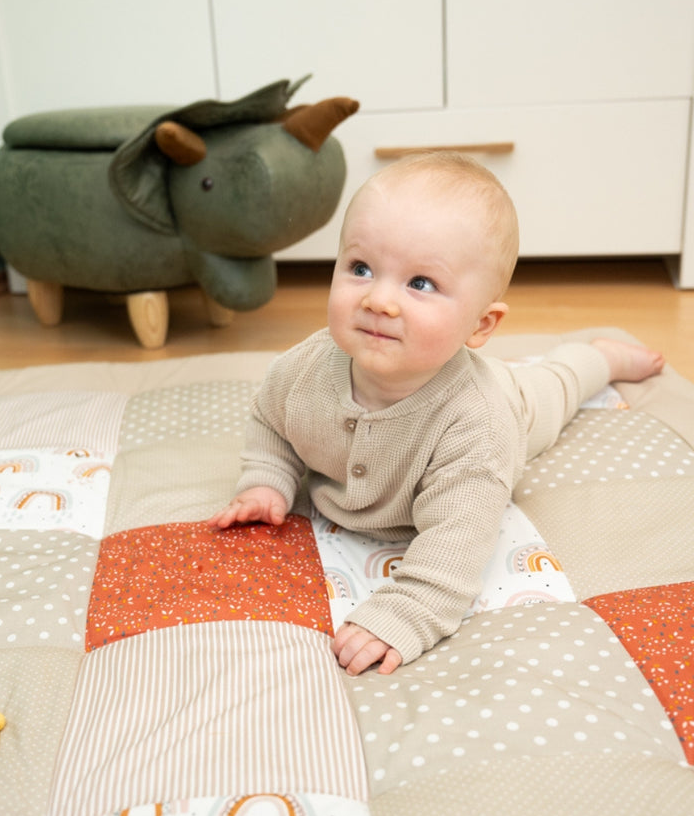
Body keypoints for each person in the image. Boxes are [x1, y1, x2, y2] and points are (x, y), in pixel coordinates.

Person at [208, 152, 664, 676]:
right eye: (360, 268)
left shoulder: (482, 425)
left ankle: (601, 355)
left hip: (515, 401)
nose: (379, 300)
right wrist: (267, 479)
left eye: (420, 283)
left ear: (480, 324)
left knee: (557, 386)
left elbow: (459, 539)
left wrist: (405, 611)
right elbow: (272, 423)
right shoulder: (304, 369)